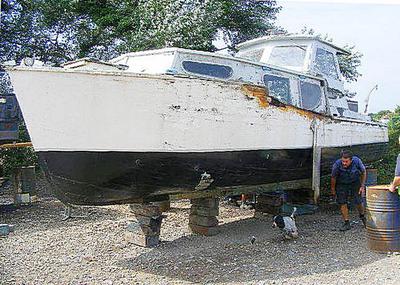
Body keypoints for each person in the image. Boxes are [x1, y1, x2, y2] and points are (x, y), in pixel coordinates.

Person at [331, 150, 367, 231]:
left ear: (351, 160)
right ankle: (346, 223)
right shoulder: (337, 164)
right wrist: (333, 190)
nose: (344, 163)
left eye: (346, 162)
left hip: (355, 181)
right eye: (343, 161)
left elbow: (364, 172)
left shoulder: (357, 161)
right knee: (342, 202)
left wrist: (362, 186)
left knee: (358, 200)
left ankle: (362, 216)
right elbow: (333, 178)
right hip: (342, 183)